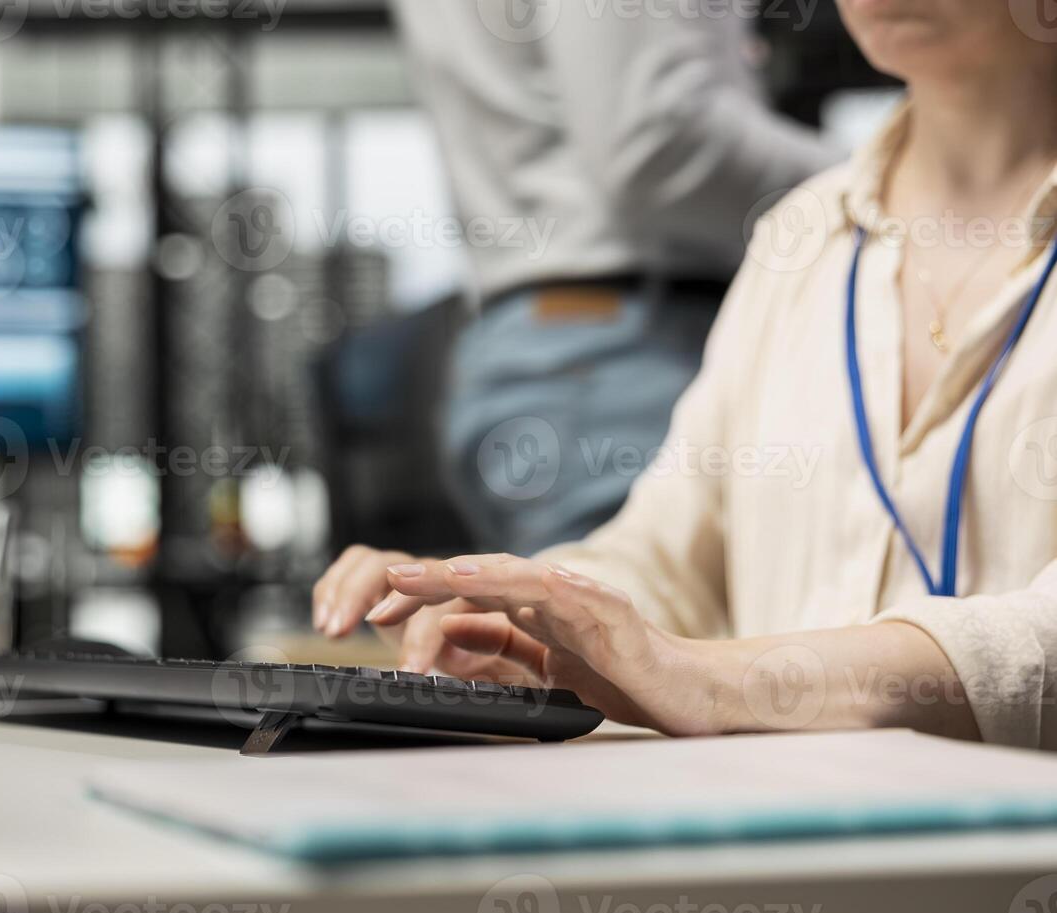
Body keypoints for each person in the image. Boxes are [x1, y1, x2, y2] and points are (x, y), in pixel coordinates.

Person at [316, 0, 1057, 750]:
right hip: (809, 843)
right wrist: (518, 610)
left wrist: (722, 680)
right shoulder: (800, 240)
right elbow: (668, 555)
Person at [389, 0, 839, 556]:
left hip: (561, 353)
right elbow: (656, 142)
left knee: (608, 627)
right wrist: (880, 181)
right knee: (630, 628)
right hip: (622, 356)